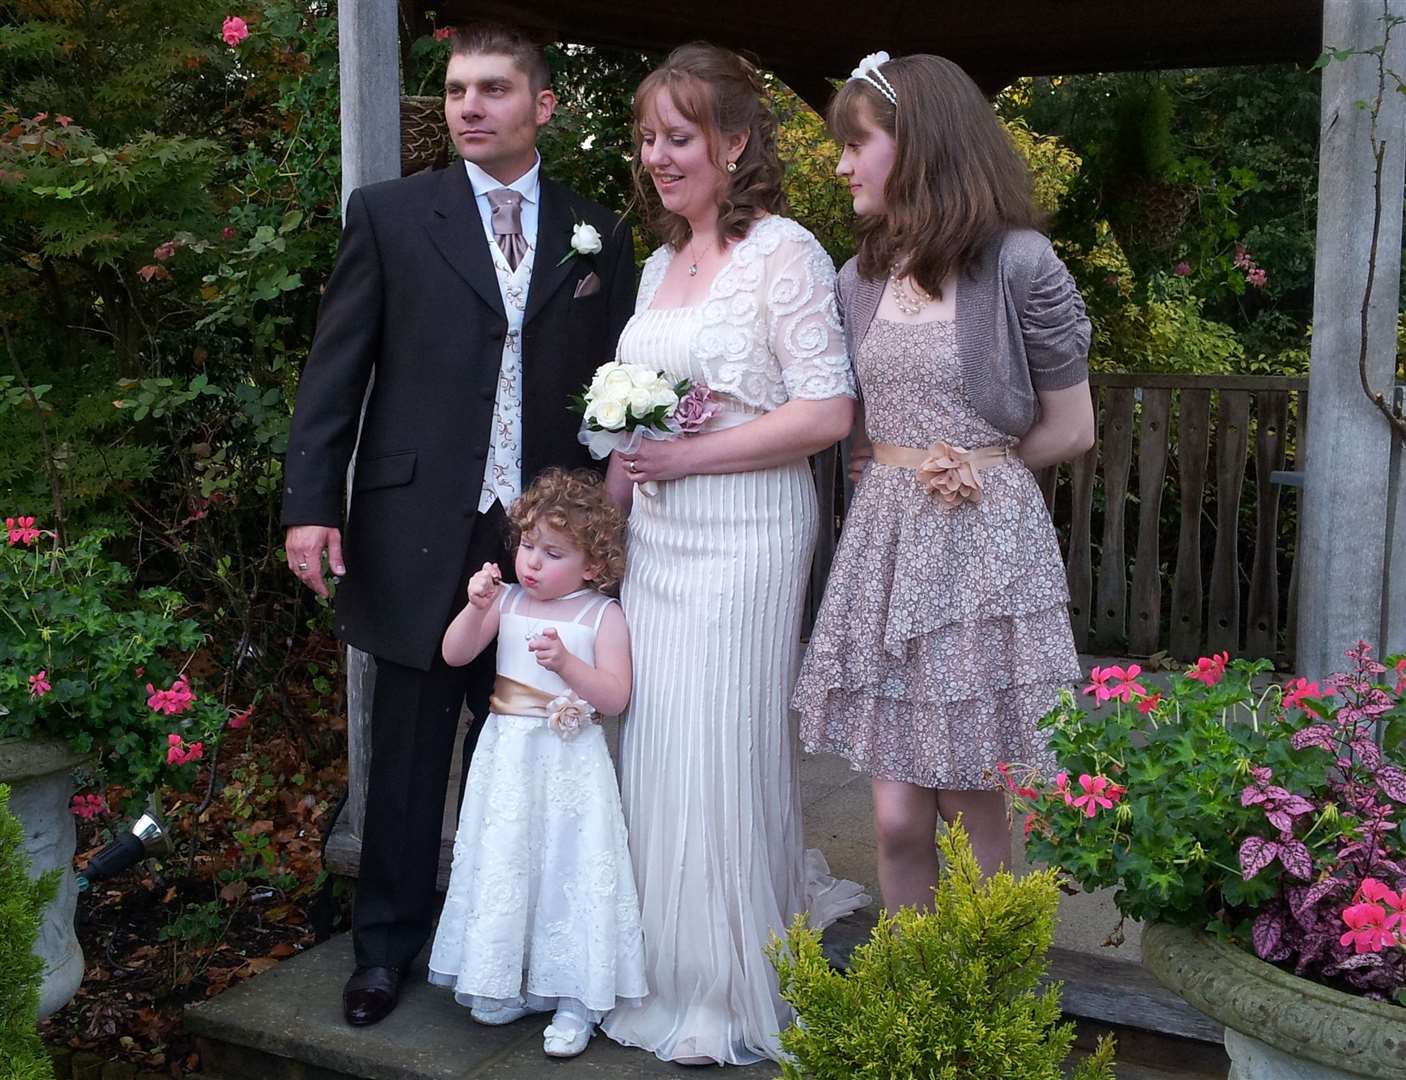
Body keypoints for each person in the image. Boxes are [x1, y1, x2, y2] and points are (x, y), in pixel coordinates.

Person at [279, 23, 637, 1026]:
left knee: (525, 740)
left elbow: (613, 388)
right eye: (454, 90)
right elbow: (335, 369)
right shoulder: (391, 216)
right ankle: (383, 951)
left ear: (543, 104)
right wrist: (311, 504)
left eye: (491, 89)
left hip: (547, 534)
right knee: (405, 745)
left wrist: (608, 522)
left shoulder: (594, 232)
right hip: (415, 518)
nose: (467, 106)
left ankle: (503, 941)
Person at [598, 43, 868, 1067]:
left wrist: (692, 454)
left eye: (679, 136)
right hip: (659, 538)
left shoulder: (783, 252)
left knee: (717, 740)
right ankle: (652, 955)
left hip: (749, 529)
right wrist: (605, 527)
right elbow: (631, 425)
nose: (658, 155)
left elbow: (827, 409)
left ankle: (716, 988)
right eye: (648, 137)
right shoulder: (661, 261)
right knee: (657, 740)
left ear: (735, 141)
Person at [792, 52, 1096, 911]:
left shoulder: (1019, 264)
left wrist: (980, 462)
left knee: (969, 801)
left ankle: (984, 993)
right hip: (886, 551)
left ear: (918, 146)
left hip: (981, 546)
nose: (842, 164)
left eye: (857, 143)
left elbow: (1073, 429)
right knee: (893, 816)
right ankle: (913, 994)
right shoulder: (859, 280)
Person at [427, 469, 646, 1059]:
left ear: (593, 566)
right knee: (510, 860)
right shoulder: (508, 599)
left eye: (553, 554)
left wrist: (568, 669)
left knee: (569, 864)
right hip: (509, 757)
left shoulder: (603, 616)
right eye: (527, 546)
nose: (532, 563)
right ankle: (514, 977)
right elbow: (456, 653)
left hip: (570, 762)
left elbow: (615, 696)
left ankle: (578, 995)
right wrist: (475, 608)